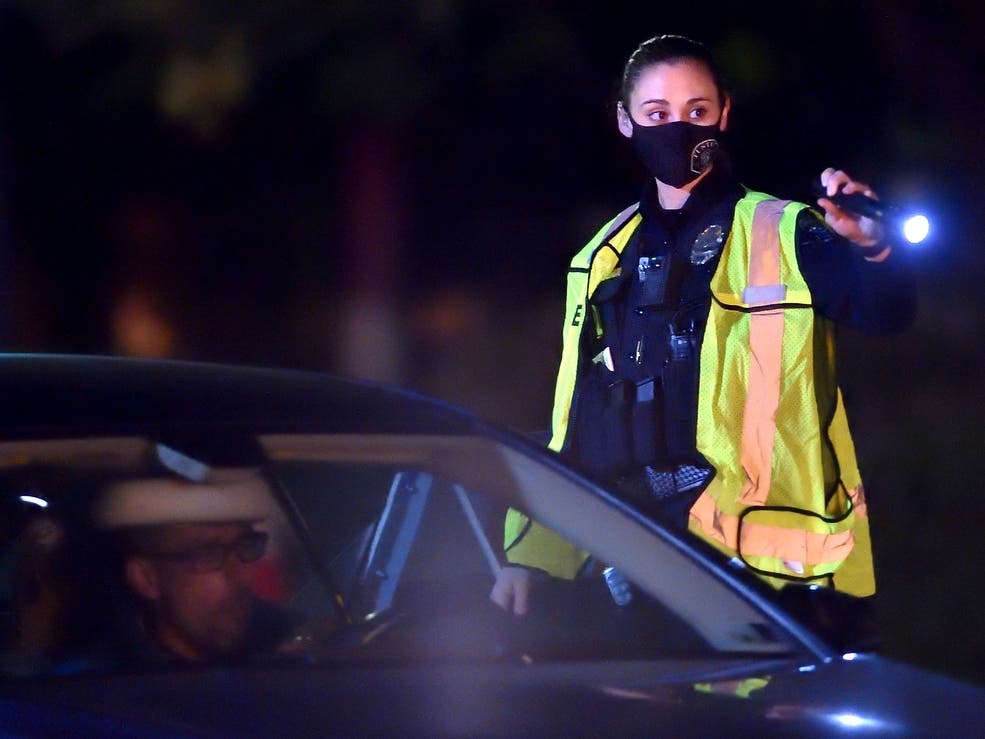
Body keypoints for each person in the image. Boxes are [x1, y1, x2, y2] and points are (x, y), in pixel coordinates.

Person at [491, 34, 914, 616]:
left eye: (697, 111)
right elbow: (574, 418)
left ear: (724, 113)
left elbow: (884, 312)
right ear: (625, 121)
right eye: (657, 114)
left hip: (767, 579)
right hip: (638, 556)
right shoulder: (600, 257)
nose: (678, 129)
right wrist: (531, 557)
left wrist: (873, 248)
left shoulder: (786, 231)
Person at [95, 467, 297, 665]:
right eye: (208, 553)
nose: (243, 576)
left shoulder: (290, 643)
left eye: (246, 545)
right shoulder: (100, 687)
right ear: (146, 578)